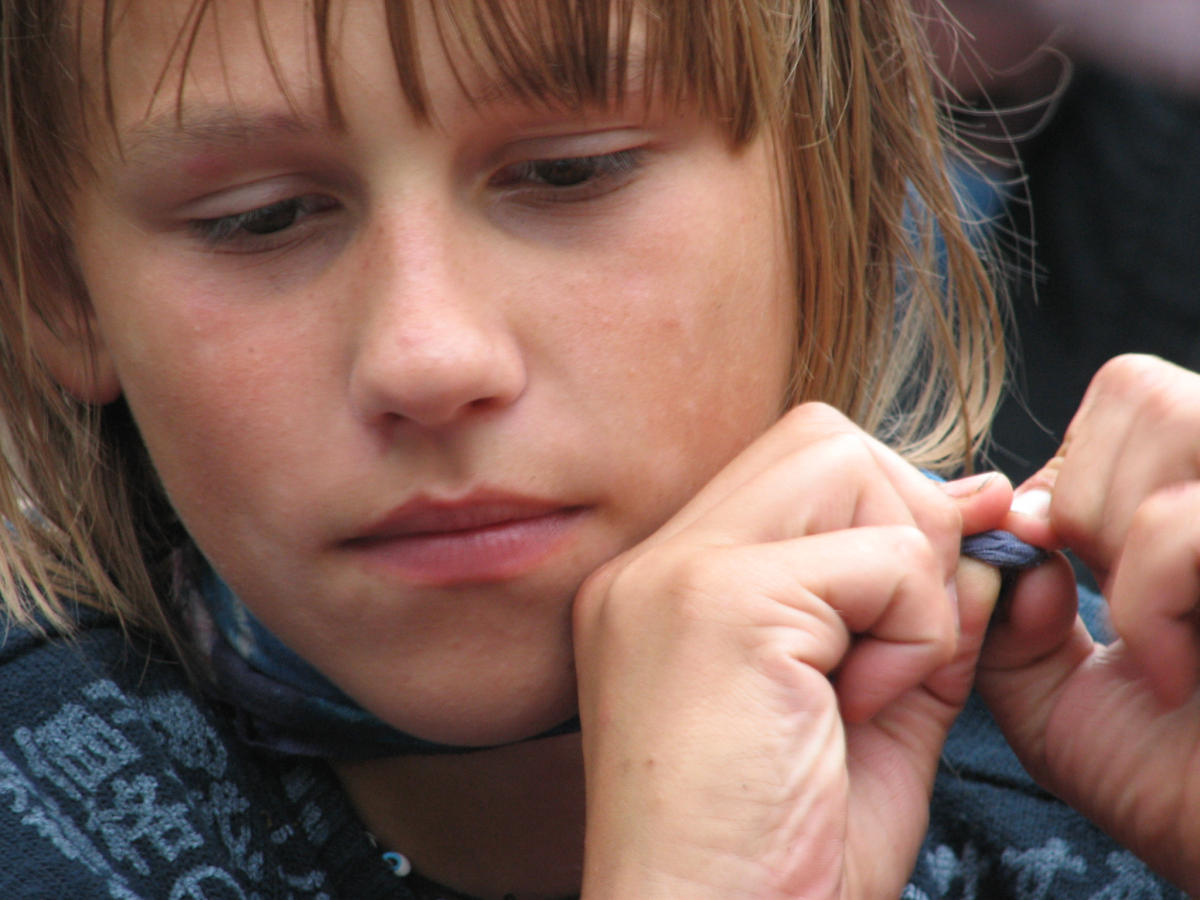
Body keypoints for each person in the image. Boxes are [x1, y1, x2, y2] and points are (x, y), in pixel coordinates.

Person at [0, 1, 1197, 898]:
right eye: (258, 218)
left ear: (835, 188)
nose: (428, 356)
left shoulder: (1123, 746)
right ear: (59, 289)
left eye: (570, 172)